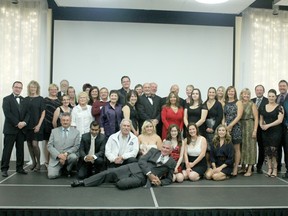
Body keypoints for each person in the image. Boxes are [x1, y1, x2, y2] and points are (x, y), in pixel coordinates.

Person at [71, 140, 176, 189]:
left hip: (141, 178)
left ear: (171, 150)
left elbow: (169, 179)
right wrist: (149, 173)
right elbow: (142, 161)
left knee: (121, 185)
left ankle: (116, 178)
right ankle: (83, 182)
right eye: (164, 147)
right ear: (161, 147)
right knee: (109, 172)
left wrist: (160, 182)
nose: (165, 150)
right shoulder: (153, 151)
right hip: (133, 167)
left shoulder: (172, 162)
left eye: (167, 149)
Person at [1, 81, 30, 177]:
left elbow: (28, 113)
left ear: (22, 89)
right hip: (10, 129)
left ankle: (20, 168)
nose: (18, 89)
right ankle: (4, 169)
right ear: (13, 87)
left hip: (21, 130)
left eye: (20, 87)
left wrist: (24, 123)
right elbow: (7, 113)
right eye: (16, 87)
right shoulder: (6, 99)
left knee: (20, 150)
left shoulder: (24, 100)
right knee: (7, 150)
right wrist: (17, 123)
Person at [47, 112, 80, 179]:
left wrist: (66, 154)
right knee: (51, 176)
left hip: (68, 156)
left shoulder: (76, 132)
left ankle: (68, 169)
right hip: (56, 158)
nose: (65, 122)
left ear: (70, 121)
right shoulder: (54, 131)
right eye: (63, 120)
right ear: (61, 121)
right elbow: (49, 146)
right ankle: (60, 169)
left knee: (74, 157)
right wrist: (59, 156)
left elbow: (76, 146)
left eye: (67, 120)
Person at [259, 89, 284, 178]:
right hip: (265, 132)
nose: (271, 98)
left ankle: (275, 169)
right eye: (269, 96)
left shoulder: (280, 107)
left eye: (273, 96)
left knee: (274, 151)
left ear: (275, 97)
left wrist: (268, 125)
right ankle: (269, 169)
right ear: (268, 97)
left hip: (276, 131)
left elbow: (280, 120)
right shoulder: (263, 107)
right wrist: (261, 125)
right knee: (267, 151)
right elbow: (261, 119)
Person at [25, 80, 46, 172]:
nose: (32, 88)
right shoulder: (25, 99)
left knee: (35, 144)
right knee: (29, 144)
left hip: (37, 124)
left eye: (34, 87)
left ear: (37, 88)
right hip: (27, 125)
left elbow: (43, 113)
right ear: (29, 88)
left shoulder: (41, 99)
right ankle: (33, 162)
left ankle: (38, 162)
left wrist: (38, 125)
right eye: (31, 87)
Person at [223, 86, 243, 176]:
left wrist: (231, 125)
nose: (231, 93)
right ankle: (228, 167)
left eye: (232, 91)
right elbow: (223, 116)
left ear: (235, 93)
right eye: (229, 91)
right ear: (227, 93)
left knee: (236, 149)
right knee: (227, 148)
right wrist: (225, 126)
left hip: (236, 127)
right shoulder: (225, 103)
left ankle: (235, 168)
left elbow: (239, 116)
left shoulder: (238, 102)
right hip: (226, 128)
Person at [239, 88, 258, 177]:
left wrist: (255, 130)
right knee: (242, 146)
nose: (246, 96)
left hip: (250, 126)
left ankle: (249, 169)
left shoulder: (252, 104)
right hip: (240, 126)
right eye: (244, 94)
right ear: (241, 94)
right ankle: (242, 167)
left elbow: (256, 118)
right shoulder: (239, 103)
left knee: (250, 147)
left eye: (248, 94)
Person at [251, 84, 268, 174]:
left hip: (262, 128)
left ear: (263, 91)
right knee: (252, 147)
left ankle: (259, 166)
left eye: (260, 90)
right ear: (255, 91)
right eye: (257, 90)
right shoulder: (251, 101)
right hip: (252, 127)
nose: (259, 91)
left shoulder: (267, 100)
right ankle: (251, 166)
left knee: (261, 147)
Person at [43, 84, 62, 166]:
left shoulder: (60, 101)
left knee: (56, 144)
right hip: (47, 123)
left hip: (57, 125)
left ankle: (53, 162)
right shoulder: (45, 100)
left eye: (55, 89)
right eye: (51, 89)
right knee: (48, 143)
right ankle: (47, 161)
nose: (53, 91)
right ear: (49, 90)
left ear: (58, 90)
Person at [203, 87, 223, 154]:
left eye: (213, 92)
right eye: (210, 92)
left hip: (216, 128)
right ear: (208, 93)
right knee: (207, 148)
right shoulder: (204, 104)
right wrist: (206, 128)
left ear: (215, 94)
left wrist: (213, 128)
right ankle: (208, 164)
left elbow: (220, 117)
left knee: (215, 146)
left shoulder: (218, 104)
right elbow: (203, 118)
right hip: (206, 128)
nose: (211, 94)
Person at [276, 80, 288, 173]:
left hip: (286, 128)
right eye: (280, 86)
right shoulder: (275, 97)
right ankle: (278, 168)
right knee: (277, 148)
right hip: (276, 128)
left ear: (287, 86)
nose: (282, 88)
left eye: (283, 86)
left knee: (287, 149)